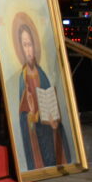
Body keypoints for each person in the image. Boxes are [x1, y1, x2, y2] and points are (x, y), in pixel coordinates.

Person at [12, 17, 72, 170]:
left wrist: (54, 117)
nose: (28, 50)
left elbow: (50, 97)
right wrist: (33, 115)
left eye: (30, 44)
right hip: (36, 131)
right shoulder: (23, 77)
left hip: (50, 125)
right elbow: (23, 115)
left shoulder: (42, 73)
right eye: (24, 45)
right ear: (20, 48)